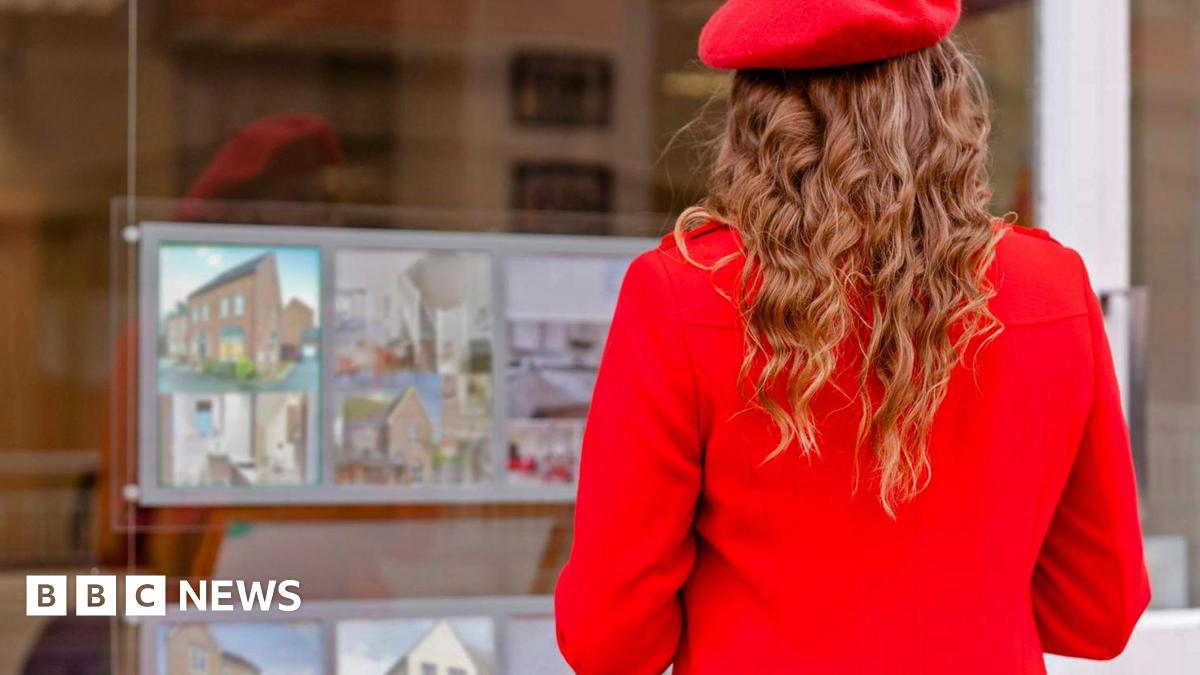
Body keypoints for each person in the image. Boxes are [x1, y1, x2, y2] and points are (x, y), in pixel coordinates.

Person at [553, 1, 1151, 673]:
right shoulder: (1053, 288)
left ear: (756, 116)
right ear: (943, 93)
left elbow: (609, 640)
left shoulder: (683, 293)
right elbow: (1098, 611)